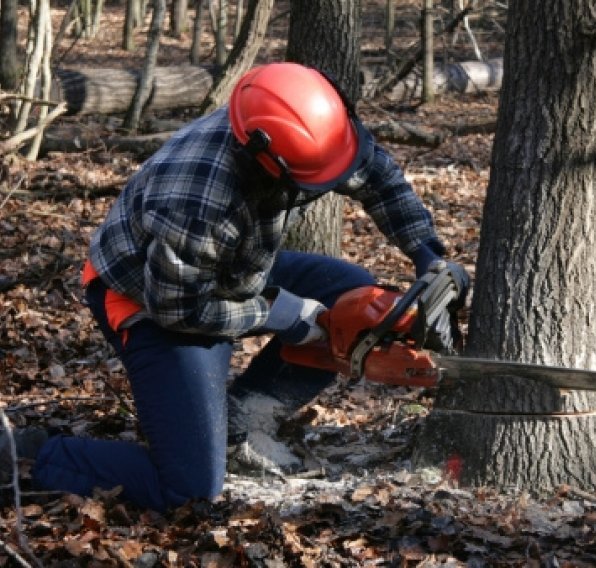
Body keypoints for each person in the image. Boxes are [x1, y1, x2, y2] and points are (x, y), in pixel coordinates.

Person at [0, 62, 469, 512]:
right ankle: (26, 456)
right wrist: (278, 313)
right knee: (187, 486)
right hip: (148, 296)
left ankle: (240, 423)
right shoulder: (198, 198)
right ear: (264, 162)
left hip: (234, 266)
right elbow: (178, 308)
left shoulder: (306, 125)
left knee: (350, 295)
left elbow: (378, 178)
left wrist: (426, 252)